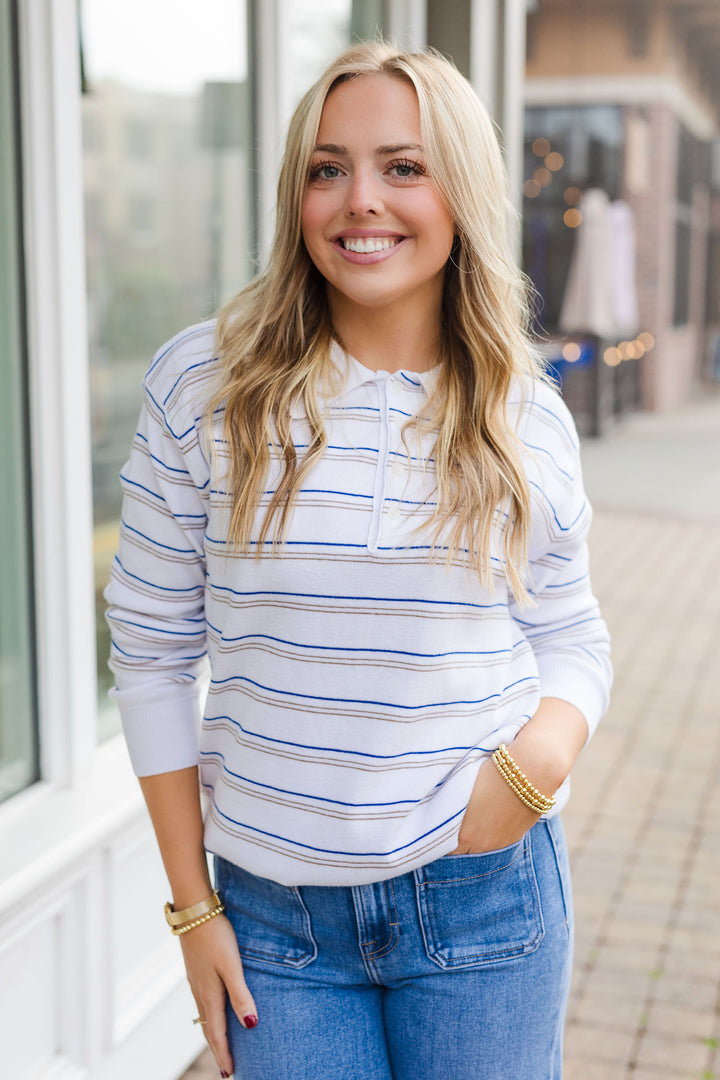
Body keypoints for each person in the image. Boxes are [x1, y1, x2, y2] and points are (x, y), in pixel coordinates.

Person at [105, 41, 611, 1080]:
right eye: (327, 168)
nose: (359, 201)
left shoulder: (525, 413)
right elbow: (152, 654)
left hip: (484, 900)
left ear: (460, 191)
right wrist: (192, 906)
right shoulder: (204, 386)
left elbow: (571, 633)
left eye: (403, 167)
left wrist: (541, 761)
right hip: (275, 925)